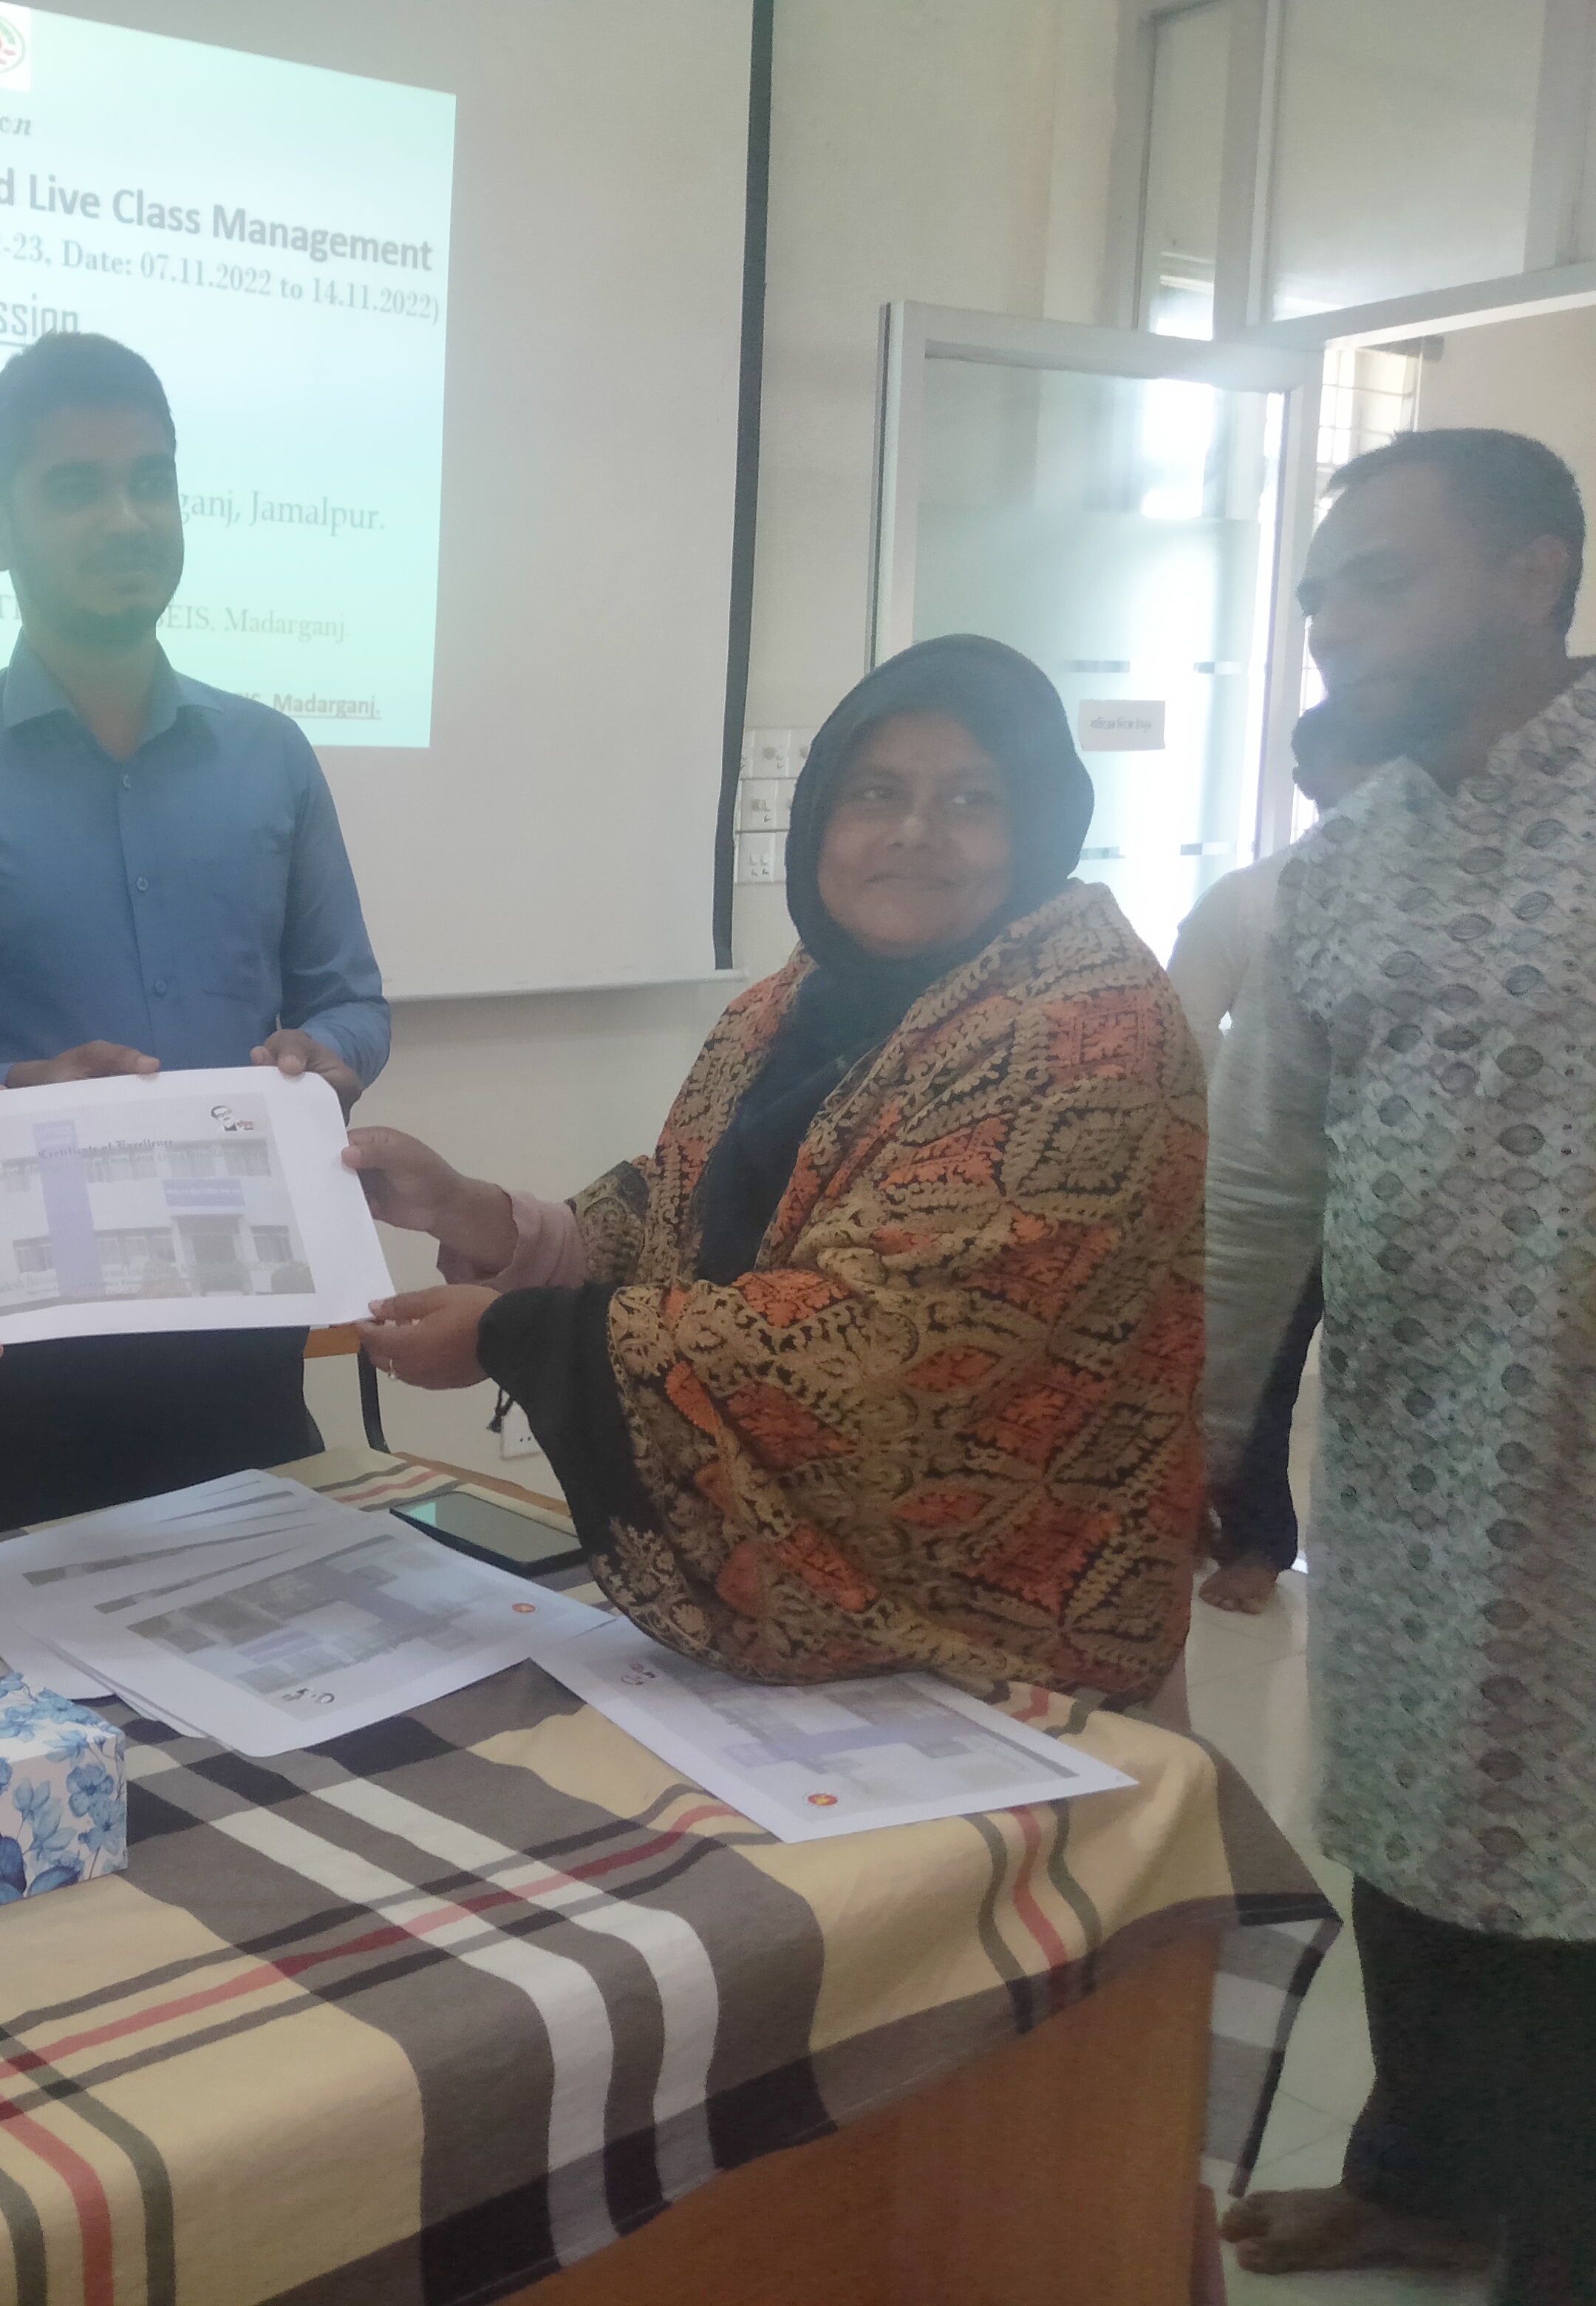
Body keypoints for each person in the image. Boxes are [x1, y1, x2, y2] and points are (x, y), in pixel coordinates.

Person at [351, 633, 1198, 1704]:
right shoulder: (798, 1002)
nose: (913, 832)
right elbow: (688, 1207)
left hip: (999, 1649)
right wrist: (480, 1216)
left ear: (1038, 822)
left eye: (971, 800)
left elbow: (881, 1343)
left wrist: (513, 1334)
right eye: (875, 792)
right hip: (804, 1638)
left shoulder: (1087, 1034)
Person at [1205, 429, 1596, 2299]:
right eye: (1316, 595)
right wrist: (1199, 1449)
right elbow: (1258, 1188)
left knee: (1577, 1883)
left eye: (1378, 577)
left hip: (1583, 1480)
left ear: (1531, 576)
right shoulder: (1338, 868)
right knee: (1415, 1827)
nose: (1330, 624)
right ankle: (1417, 2180)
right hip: (1419, 1466)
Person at [0, 333, 390, 1543]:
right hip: (11, 1362)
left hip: (243, 1327)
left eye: (151, 481)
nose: (127, 518)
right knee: (21, 1654)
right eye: (76, 487)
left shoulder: (272, 757)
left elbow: (350, 1002)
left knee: (276, 1634)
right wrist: (15, 1091)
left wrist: (323, 1057)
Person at [1174, 698, 1396, 1614]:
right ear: (1307, 781)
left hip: (1396, 1201)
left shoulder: (1448, 900)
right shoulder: (1256, 898)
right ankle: (1250, 1536)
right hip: (1267, 1182)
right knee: (1251, 1371)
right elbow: (1185, 1034)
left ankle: (1376, 1557)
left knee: (1385, 1384)